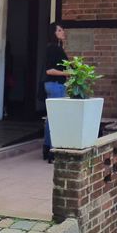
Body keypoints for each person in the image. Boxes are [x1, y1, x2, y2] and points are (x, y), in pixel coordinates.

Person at [43, 22, 70, 163]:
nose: (62, 32)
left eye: (62, 29)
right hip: (55, 85)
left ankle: (47, 148)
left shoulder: (54, 48)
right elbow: (49, 70)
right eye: (59, 30)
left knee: (50, 118)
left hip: (51, 85)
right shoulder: (54, 49)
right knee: (56, 119)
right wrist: (68, 72)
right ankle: (53, 153)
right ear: (53, 33)